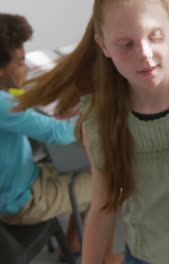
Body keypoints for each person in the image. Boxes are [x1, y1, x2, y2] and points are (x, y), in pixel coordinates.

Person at [13, 0, 169, 263]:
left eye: (155, 36)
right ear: (103, 45)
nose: (145, 53)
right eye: (127, 44)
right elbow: (103, 207)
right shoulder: (102, 119)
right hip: (143, 257)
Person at [0, 13, 90, 258]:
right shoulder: (3, 104)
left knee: (83, 170)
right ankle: (106, 258)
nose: (26, 68)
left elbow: (17, 97)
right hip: (20, 202)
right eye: (19, 63)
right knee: (112, 184)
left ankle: (74, 244)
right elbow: (58, 133)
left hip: (15, 184)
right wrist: (90, 114)